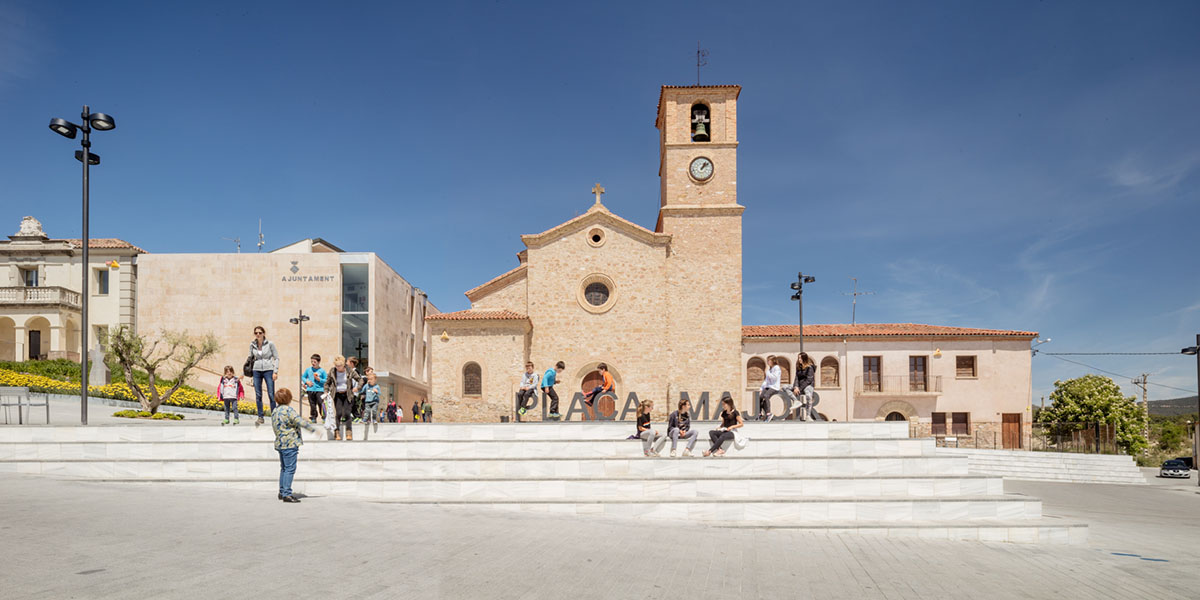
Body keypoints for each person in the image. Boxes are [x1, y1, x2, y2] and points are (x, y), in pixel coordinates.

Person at [270, 388, 316, 503]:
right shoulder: (288, 410)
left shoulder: (275, 411)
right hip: (290, 443)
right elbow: (299, 421)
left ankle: (281, 491)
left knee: (284, 468)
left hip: (280, 443)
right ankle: (287, 494)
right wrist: (312, 429)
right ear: (288, 398)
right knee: (290, 469)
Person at [324, 355, 362, 441]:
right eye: (336, 366)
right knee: (338, 413)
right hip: (337, 395)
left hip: (347, 394)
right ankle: (336, 432)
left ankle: (349, 432)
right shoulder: (332, 371)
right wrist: (326, 391)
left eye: (339, 366)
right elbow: (327, 382)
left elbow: (360, 379)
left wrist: (357, 388)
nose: (338, 368)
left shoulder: (349, 371)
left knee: (347, 413)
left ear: (343, 364)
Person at [249, 325, 279, 426]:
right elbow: (250, 359)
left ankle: (274, 417)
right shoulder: (252, 344)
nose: (258, 334)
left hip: (268, 370)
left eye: (260, 333)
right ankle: (260, 417)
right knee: (258, 394)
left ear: (263, 333)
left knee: (271, 394)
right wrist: (250, 375)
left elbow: (276, 358)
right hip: (256, 370)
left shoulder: (270, 344)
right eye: (256, 333)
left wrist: (275, 371)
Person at [301, 354, 327, 422]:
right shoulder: (308, 370)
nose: (313, 363)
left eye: (314, 362)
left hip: (319, 390)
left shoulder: (322, 371)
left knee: (321, 403)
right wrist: (307, 382)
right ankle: (313, 417)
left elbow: (326, 380)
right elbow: (303, 377)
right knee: (312, 404)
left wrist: (319, 380)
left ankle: (324, 417)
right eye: (312, 361)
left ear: (319, 362)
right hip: (310, 389)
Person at [792, 352, 816, 421]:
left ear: (804, 359)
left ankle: (808, 415)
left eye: (800, 358)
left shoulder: (810, 367)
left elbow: (809, 380)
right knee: (785, 387)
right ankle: (796, 401)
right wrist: (796, 386)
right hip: (799, 386)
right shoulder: (798, 367)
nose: (799, 359)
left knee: (808, 396)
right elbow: (796, 378)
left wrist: (799, 388)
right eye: (798, 358)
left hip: (808, 386)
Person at [758, 355, 781, 421]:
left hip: (774, 387)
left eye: (769, 360)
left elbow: (774, 378)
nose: (767, 362)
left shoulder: (776, 368)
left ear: (773, 361)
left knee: (766, 396)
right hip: (768, 386)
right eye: (767, 360)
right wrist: (761, 388)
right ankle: (759, 413)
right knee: (760, 397)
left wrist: (767, 372)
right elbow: (766, 380)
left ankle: (768, 413)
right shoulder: (770, 369)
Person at [360, 371, 381, 438]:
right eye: (368, 379)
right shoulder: (366, 386)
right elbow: (362, 390)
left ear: (375, 380)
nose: (369, 381)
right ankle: (365, 419)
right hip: (368, 401)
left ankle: (374, 419)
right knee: (367, 411)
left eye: (371, 379)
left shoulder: (377, 386)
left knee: (374, 410)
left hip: (375, 401)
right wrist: (361, 394)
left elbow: (379, 393)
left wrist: (377, 392)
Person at [348, 358, 364, 423]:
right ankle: (357, 417)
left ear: (351, 363)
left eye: (347, 362)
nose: (346, 364)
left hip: (353, 392)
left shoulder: (355, 371)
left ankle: (357, 417)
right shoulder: (352, 371)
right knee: (352, 405)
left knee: (350, 405)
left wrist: (355, 389)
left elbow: (355, 381)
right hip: (353, 392)